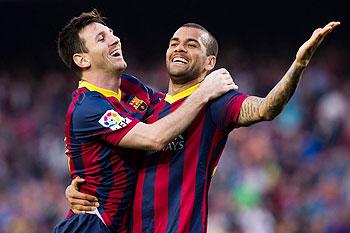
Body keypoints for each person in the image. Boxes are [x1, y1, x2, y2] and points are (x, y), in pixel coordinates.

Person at [65, 20, 340, 233]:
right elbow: (108, 148)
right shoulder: (148, 105)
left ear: (210, 63)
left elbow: (267, 107)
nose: (179, 47)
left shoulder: (215, 105)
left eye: (192, 44)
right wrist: (81, 185)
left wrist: (298, 65)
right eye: (174, 42)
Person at [53, 9, 238, 233]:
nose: (115, 39)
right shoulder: (88, 108)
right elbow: (155, 138)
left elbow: (174, 105)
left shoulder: (131, 88)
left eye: (111, 32)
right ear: (82, 59)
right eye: (102, 38)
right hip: (91, 224)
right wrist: (205, 91)